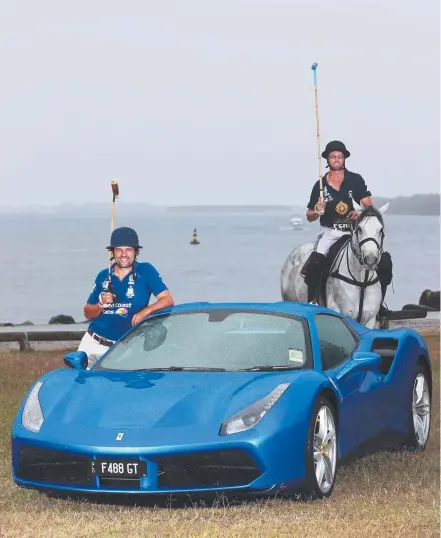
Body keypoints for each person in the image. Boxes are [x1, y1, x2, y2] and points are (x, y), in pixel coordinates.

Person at [304, 140, 392, 307]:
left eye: (340, 156)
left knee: (385, 262)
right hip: (330, 233)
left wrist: (358, 214)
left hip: (354, 233)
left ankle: (379, 304)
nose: (336, 159)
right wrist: (318, 211)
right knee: (316, 262)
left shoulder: (355, 180)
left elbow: (368, 207)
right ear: (327, 160)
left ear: (344, 159)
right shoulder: (320, 185)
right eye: (333, 156)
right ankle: (312, 302)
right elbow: (309, 216)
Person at [78, 226, 174, 367]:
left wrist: (145, 311)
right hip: (93, 343)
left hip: (125, 346)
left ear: (136, 251)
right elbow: (87, 313)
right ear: (112, 252)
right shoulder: (103, 275)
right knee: (82, 385)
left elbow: (167, 299)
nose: (123, 254)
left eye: (128, 249)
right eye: (119, 249)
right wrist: (100, 305)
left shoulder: (146, 270)